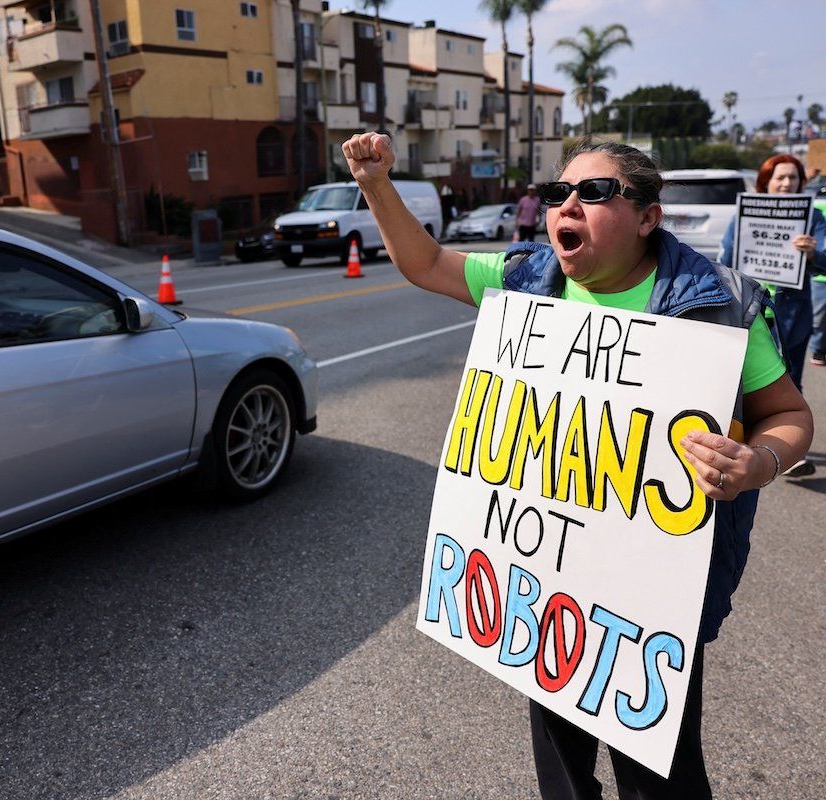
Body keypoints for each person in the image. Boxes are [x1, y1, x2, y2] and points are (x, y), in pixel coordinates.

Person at [341, 131, 814, 800]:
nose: (568, 204)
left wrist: (758, 462)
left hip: (653, 602)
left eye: (594, 193)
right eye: (558, 192)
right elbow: (425, 264)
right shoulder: (528, 278)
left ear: (647, 218)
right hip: (549, 591)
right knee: (559, 760)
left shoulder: (718, 303)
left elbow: (790, 415)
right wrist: (375, 184)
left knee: (659, 770)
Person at [719, 154, 826, 477]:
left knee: (789, 380)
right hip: (750, 311)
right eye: (780, 178)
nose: (786, 184)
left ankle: (788, 450)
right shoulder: (746, 213)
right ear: (767, 180)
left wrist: (813, 253)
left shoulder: (812, 217)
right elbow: (726, 254)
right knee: (743, 378)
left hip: (793, 311)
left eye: (793, 178)